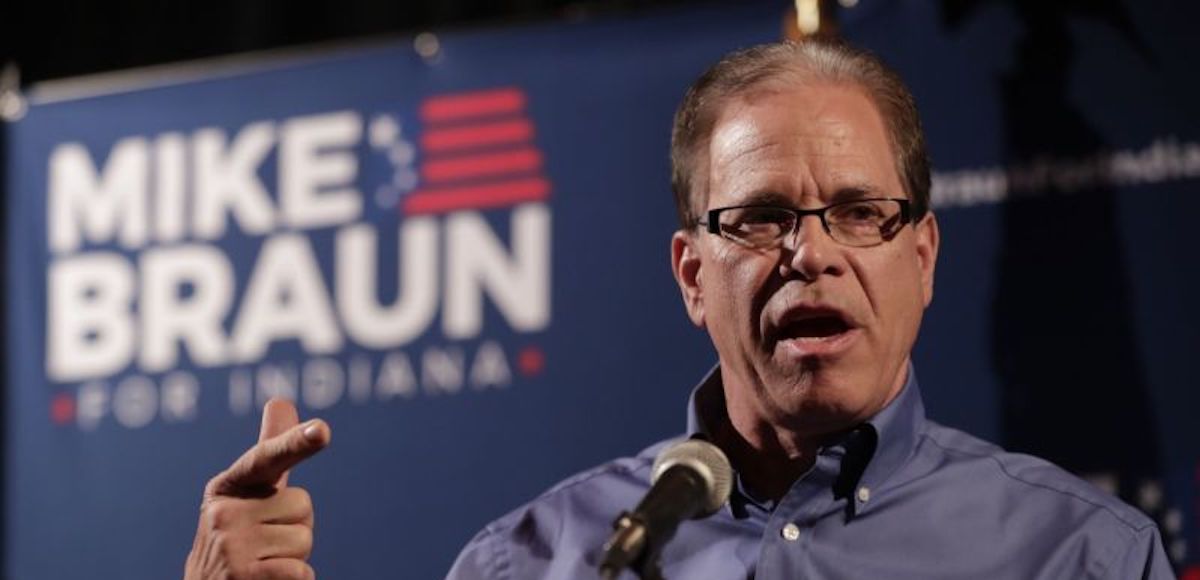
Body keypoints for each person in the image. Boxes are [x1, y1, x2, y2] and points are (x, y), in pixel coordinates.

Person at [185, 39, 1172, 579]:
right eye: (759, 218)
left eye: (860, 213)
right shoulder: (532, 563)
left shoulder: (1083, 554)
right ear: (692, 275)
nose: (811, 253)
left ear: (922, 254)